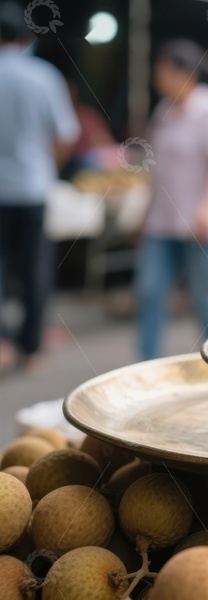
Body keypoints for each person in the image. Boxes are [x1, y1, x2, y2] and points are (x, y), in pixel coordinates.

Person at [136, 40, 208, 360]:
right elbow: (158, 171)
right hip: (162, 221)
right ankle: (146, 364)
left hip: (199, 222)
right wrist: (144, 214)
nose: (157, 79)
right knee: (150, 291)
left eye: (162, 71)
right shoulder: (163, 111)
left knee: (204, 298)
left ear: (183, 73)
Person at [0, 3, 80, 372]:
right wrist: (50, 166)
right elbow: (66, 134)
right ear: (25, 37)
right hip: (32, 188)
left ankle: (1, 343)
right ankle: (31, 348)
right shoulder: (43, 77)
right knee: (34, 269)